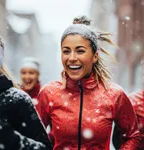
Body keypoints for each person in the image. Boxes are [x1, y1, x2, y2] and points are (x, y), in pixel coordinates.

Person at [37, 15, 140, 150]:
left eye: (80, 51)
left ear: (95, 56)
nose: (72, 58)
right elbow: (33, 137)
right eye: (66, 51)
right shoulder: (48, 93)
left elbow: (133, 136)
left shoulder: (115, 95)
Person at [0, 30, 52, 150]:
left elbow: (44, 146)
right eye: (24, 73)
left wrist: (6, 136)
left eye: (31, 73)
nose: (27, 77)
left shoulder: (17, 99)